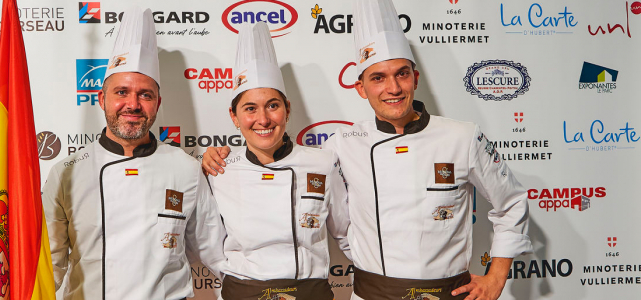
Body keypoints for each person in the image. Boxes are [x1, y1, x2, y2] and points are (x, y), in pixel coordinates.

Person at [202, 1, 532, 299]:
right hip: (372, 294)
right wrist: (208, 156)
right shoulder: (341, 147)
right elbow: (343, 228)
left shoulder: (462, 137)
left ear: (415, 77)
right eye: (378, 78)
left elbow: (512, 201)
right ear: (360, 87)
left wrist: (497, 276)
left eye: (401, 74)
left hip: (449, 292)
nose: (393, 88)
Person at [42, 7, 225, 300]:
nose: (133, 104)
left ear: (157, 102)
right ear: (101, 98)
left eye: (145, 94)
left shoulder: (187, 169)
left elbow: (216, 253)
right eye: (121, 92)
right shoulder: (67, 172)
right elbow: (49, 264)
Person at [207, 22, 350, 300]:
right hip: (244, 292)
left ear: (287, 110)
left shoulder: (323, 162)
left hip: (310, 292)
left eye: (273, 105)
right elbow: (205, 241)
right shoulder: (218, 170)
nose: (263, 119)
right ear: (234, 117)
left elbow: (346, 233)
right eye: (250, 109)